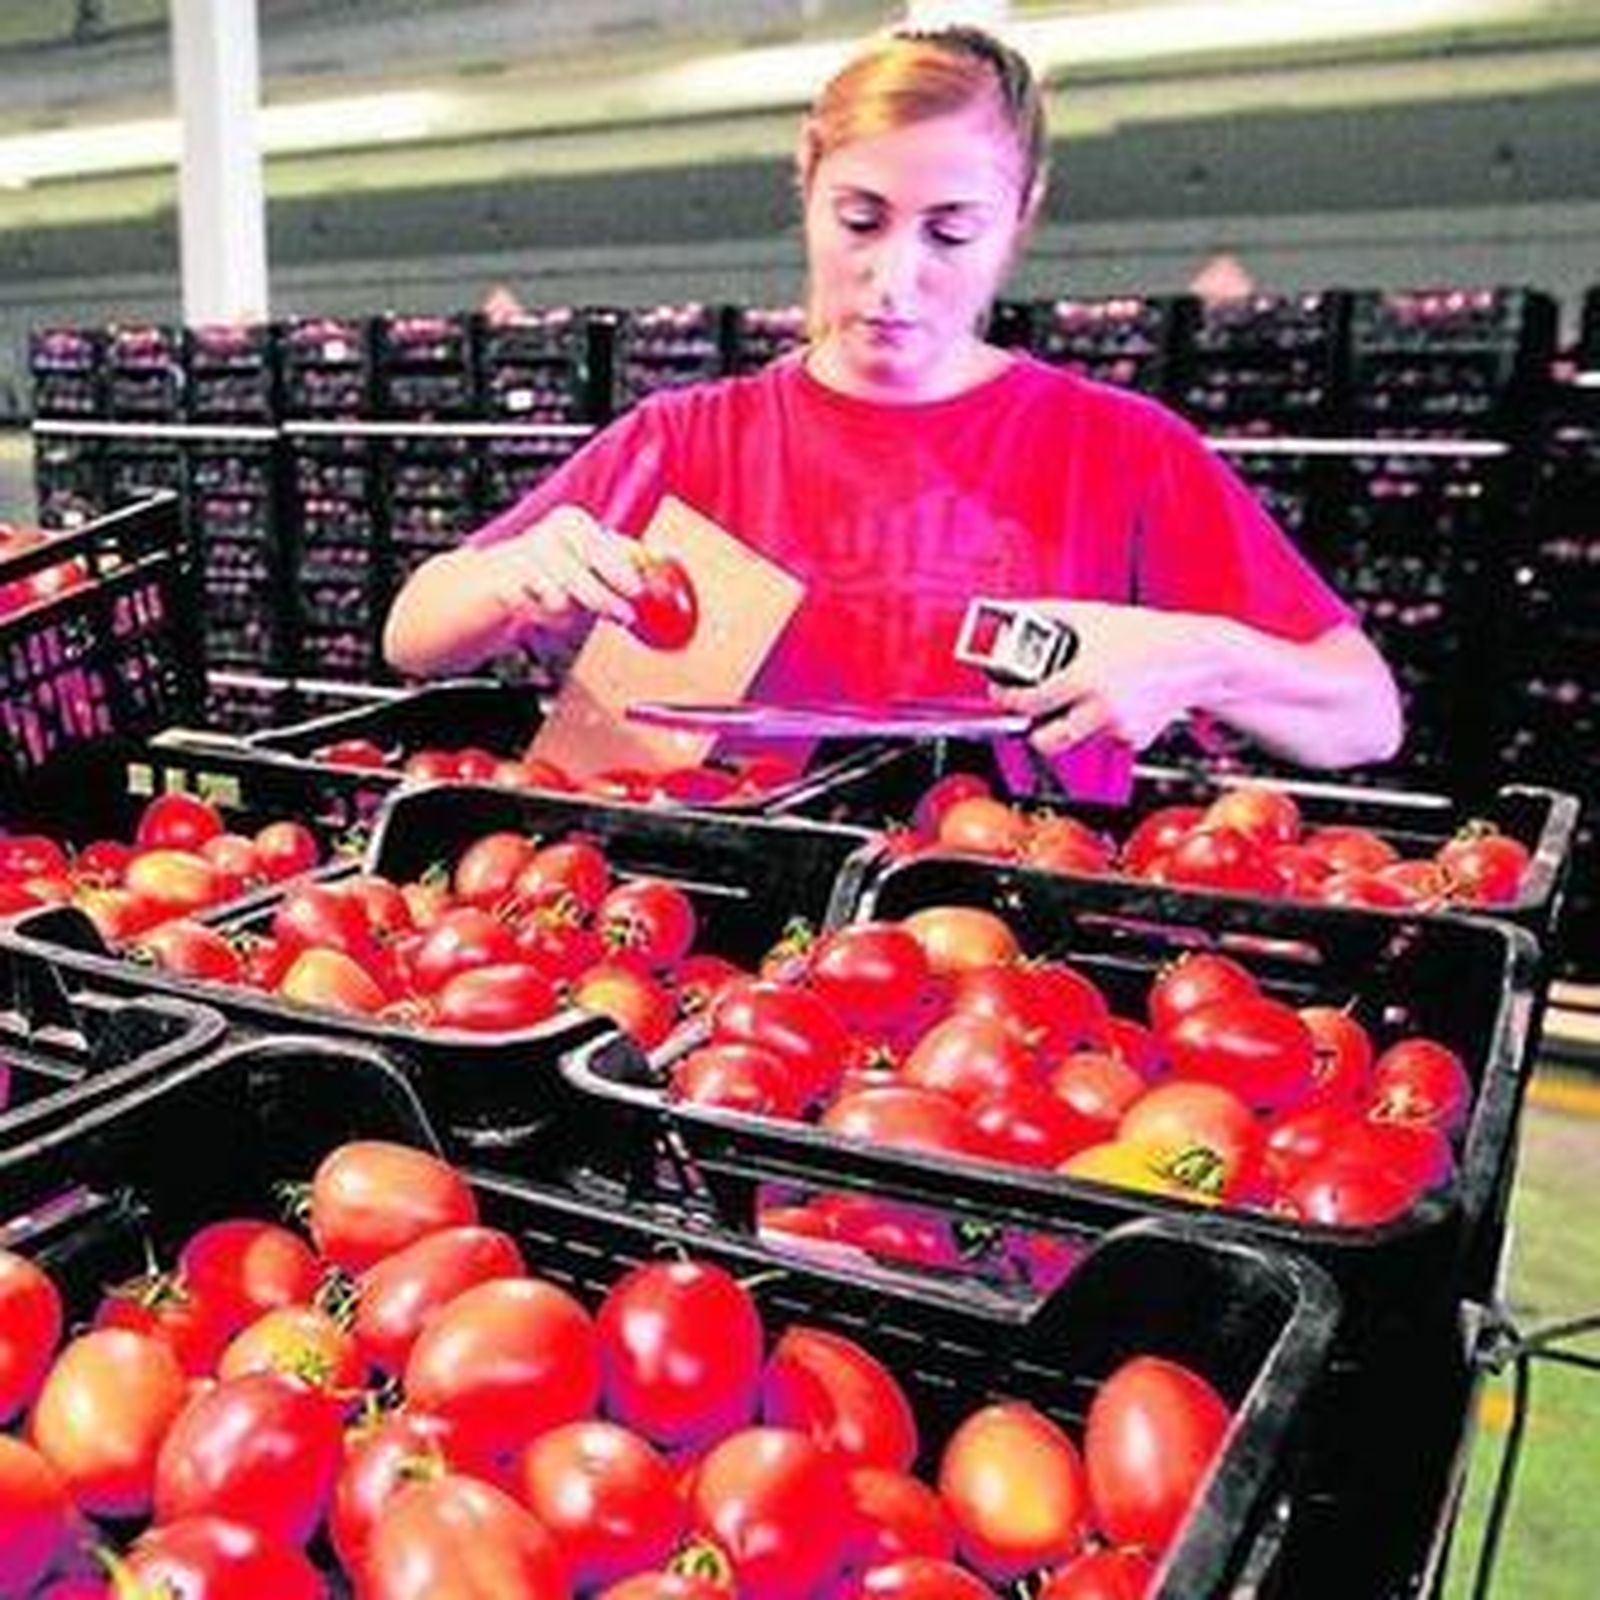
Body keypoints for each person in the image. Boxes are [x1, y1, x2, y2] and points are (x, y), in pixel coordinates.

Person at [384, 25, 1401, 799]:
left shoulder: (1123, 451)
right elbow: (414, 634)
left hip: (1016, 972)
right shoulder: (687, 439)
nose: (893, 279)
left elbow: (1363, 716)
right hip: (720, 965)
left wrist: (1202, 656)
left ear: (1023, 212)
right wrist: (513, 576)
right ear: (806, 180)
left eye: (951, 233)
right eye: (859, 220)